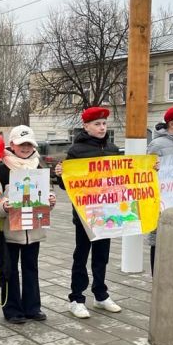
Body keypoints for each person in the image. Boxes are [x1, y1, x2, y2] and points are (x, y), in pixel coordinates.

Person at [54, 107, 122, 318]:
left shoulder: (113, 149)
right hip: (85, 213)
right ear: (86, 126)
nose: (102, 128)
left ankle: (100, 294)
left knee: (102, 255)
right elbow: (68, 186)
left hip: (107, 212)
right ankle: (76, 298)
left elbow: (123, 178)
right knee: (81, 255)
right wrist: (60, 175)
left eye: (103, 124)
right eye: (97, 124)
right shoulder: (76, 151)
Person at [0, 125, 56, 323]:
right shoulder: (2, 169)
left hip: (34, 230)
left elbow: (48, 194)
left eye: (29, 143)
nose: (26, 147)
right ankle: (12, 310)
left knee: (32, 268)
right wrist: (5, 205)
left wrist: (51, 201)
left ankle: (32, 307)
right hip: (10, 231)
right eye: (21, 144)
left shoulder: (39, 166)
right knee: (10, 270)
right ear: (12, 144)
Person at [146, 103, 173, 273]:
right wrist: (155, 169)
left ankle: (171, 274)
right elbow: (147, 172)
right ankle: (156, 276)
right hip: (161, 199)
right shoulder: (157, 145)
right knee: (159, 239)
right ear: (172, 124)